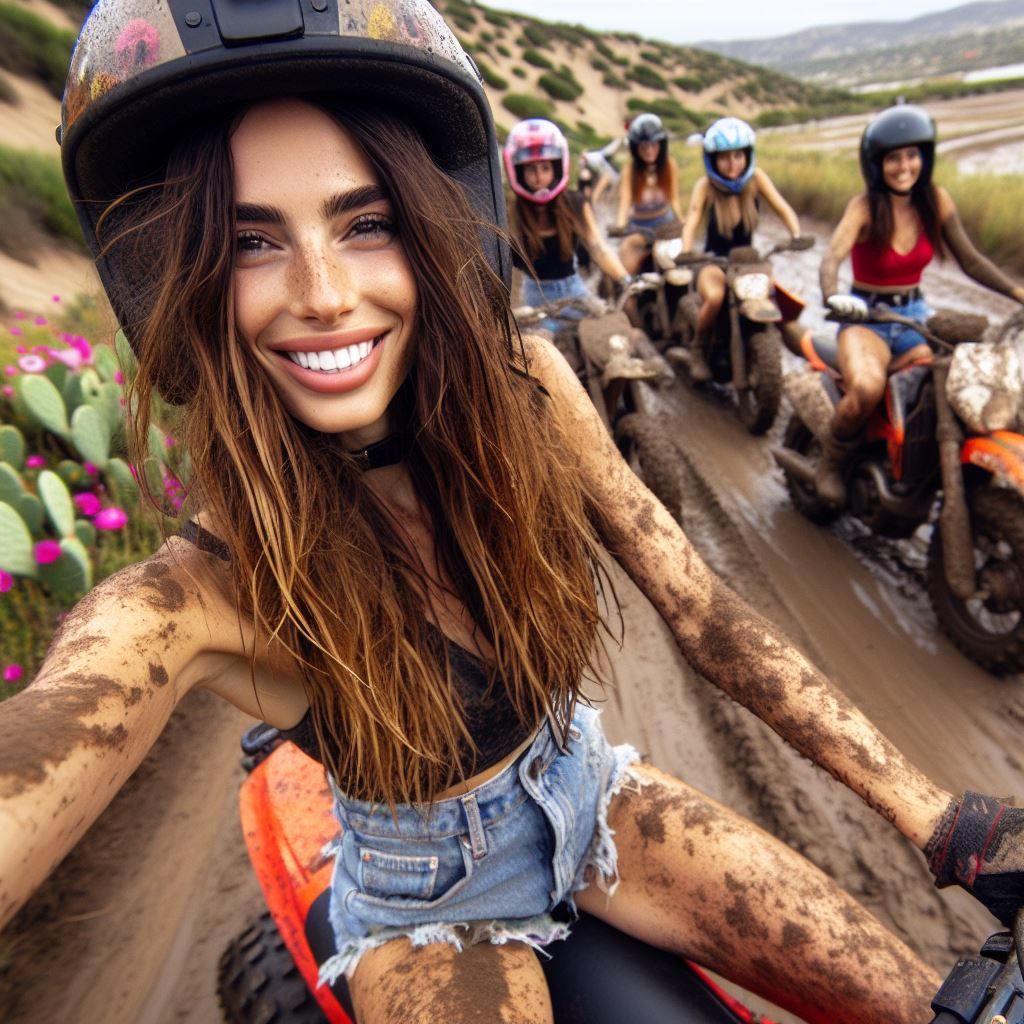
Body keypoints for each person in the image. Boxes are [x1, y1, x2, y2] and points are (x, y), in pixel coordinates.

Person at [3, 5, 1024, 1023]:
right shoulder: (189, 593)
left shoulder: (527, 389)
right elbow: (50, 734)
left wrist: (947, 819)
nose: (321, 294)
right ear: (175, 278)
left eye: (366, 223)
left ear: (434, 225)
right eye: (249, 241)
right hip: (428, 911)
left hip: (589, 791)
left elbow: (704, 612)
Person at [817, 103, 1024, 505]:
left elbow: (971, 260)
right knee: (866, 389)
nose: (904, 166)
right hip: (867, 318)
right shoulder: (864, 207)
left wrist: (1017, 293)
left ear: (924, 157)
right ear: (876, 164)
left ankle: (917, 467)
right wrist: (832, 296)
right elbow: (832, 257)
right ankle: (831, 462)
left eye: (912, 155)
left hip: (914, 317)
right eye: (893, 158)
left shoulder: (935, 200)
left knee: (947, 388)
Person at [680, 117, 803, 383]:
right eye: (725, 157)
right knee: (715, 298)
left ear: (747, 155)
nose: (733, 163)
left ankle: (778, 349)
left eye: (738, 155)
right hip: (713, 262)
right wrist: (686, 250)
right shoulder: (705, 186)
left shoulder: (756, 179)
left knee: (775, 301)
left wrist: (796, 235)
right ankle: (698, 347)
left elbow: (782, 208)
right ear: (713, 159)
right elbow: (692, 220)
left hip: (748, 263)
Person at [505, 118, 630, 334]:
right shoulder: (511, 214)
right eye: (531, 169)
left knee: (613, 335)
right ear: (518, 171)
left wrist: (625, 280)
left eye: (545, 168)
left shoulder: (575, 203)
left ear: (557, 167)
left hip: (576, 292)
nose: (539, 177)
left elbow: (598, 248)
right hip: (535, 301)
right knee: (542, 349)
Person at [614, 113, 683, 276]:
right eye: (644, 146)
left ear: (661, 145)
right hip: (639, 230)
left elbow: (674, 199)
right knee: (626, 268)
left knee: (677, 268)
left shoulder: (670, 165)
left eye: (653, 145)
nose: (649, 150)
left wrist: (682, 221)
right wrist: (619, 227)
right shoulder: (629, 171)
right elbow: (625, 203)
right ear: (636, 148)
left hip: (666, 228)